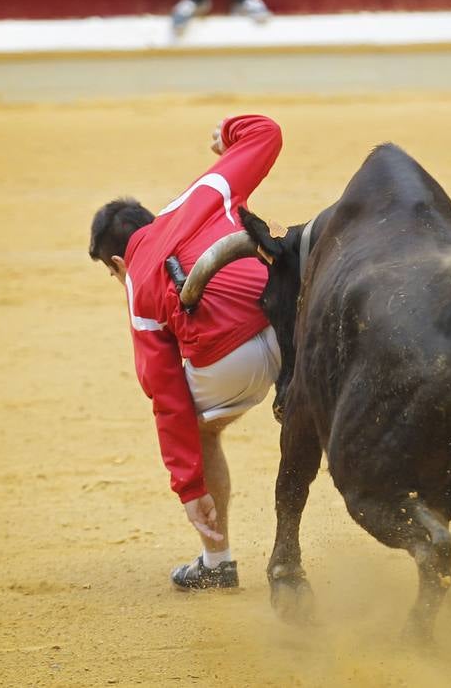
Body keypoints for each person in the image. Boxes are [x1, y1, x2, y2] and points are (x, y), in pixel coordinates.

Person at [88, 114, 282, 589]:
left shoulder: (137, 279)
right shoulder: (203, 195)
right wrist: (228, 134)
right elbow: (267, 133)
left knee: (201, 432)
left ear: (116, 262)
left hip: (227, 361)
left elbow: (166, 394)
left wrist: (190, 486)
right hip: (288, 325)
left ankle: (217, 563)